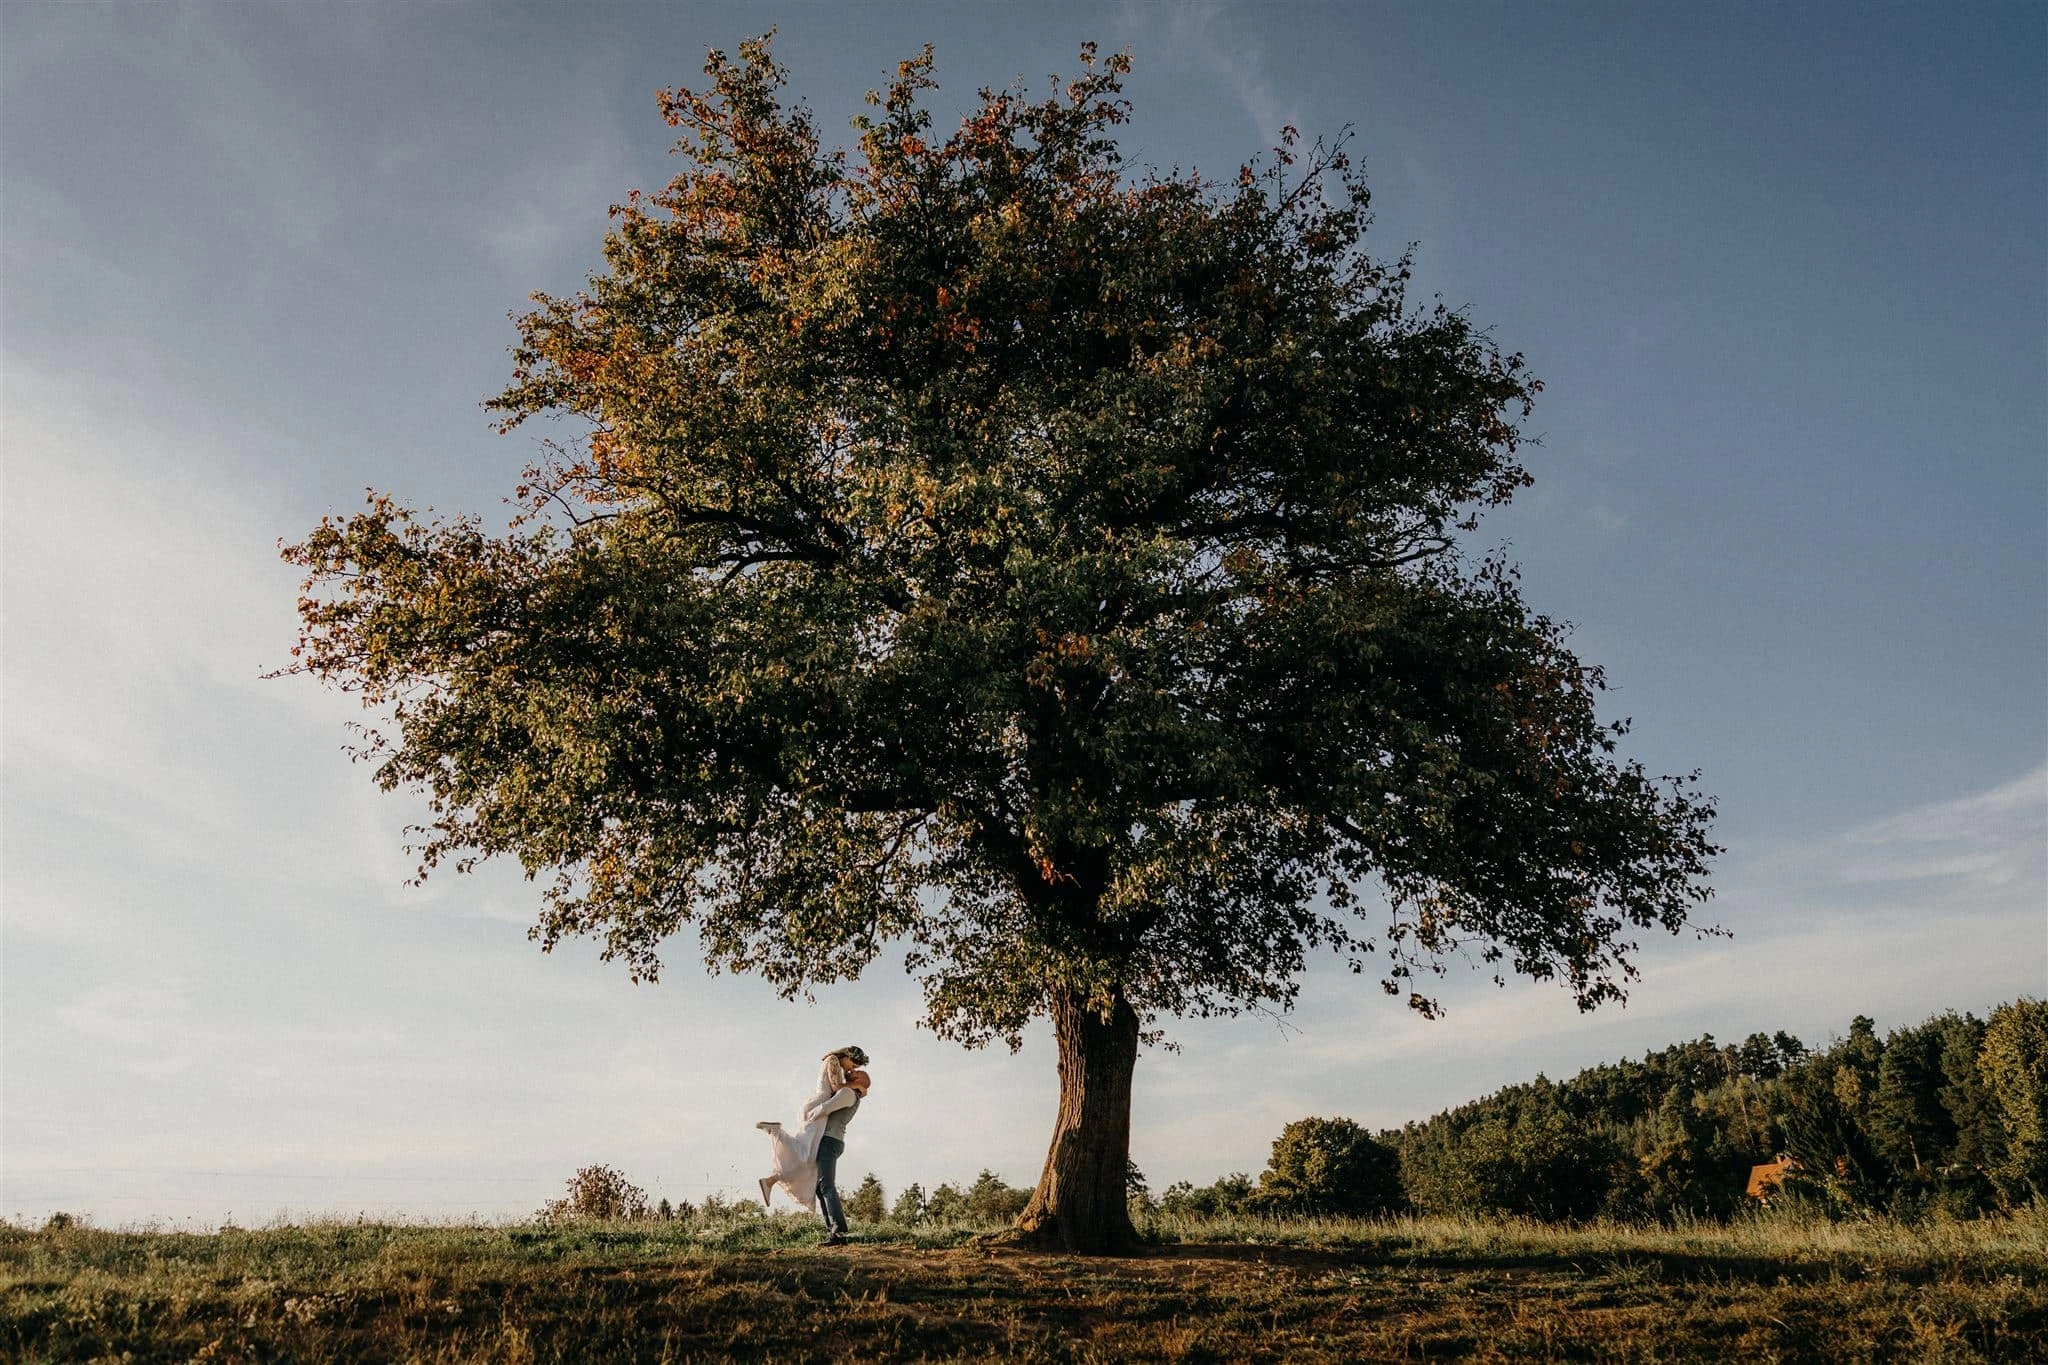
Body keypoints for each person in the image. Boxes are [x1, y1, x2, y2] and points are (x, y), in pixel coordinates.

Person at [755, 1046, 870, 1244]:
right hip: (828, 1140)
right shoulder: (848, 1090)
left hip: (829, 1142)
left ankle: (839, 1231)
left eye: (858, 1072)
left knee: (826, 1185)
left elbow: (826, 1107)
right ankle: (833, 1231)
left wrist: (810, 1116)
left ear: (862, 1083)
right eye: (854, 1066)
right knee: (814, 1179)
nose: (853, 1071)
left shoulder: (849, 1094)